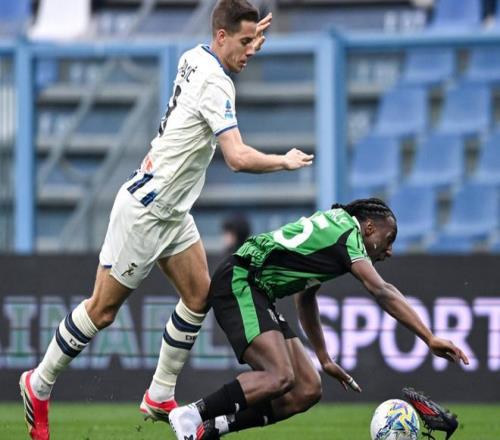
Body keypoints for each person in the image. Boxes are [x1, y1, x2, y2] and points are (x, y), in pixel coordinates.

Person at [19, 1, 314, 439]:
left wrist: (247, 36)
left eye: (254, 41)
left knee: (199, 295)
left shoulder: (195, 55)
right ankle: (39, 383)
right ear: (221, 37)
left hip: (172, 211)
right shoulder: (216, 83)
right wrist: (283, 161)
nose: (252, 50)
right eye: (245, 42)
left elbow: (226, 48)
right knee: (102, 310)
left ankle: (160, 392)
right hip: (146, 211)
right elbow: (235, 157)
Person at [168, 198, 470, 440]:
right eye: (388, 239)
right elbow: (382, 290)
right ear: (368, 227)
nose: (389, 250)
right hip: (242, 280)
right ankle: (191, 415)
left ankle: (212, 428)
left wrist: (324, 357)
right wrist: (429, 337)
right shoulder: (348, 235)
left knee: (307, 389)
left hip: (258, 290)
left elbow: (305, 296)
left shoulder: (336, 230)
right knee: (280, 376)